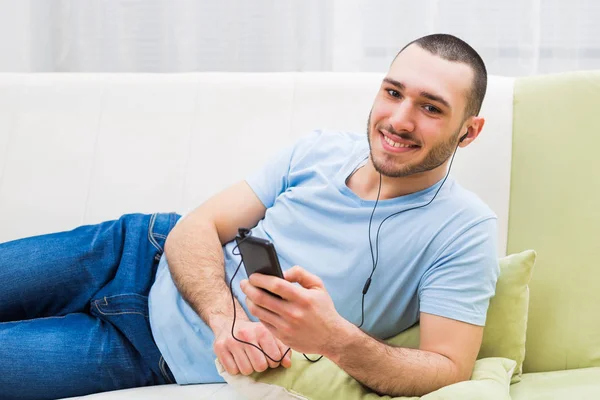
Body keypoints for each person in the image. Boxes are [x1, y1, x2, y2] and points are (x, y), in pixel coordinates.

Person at [0, 33, 499, 400]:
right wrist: (228, 318)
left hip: (147, 353)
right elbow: (195, 227)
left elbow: (448, 367)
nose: (399, 120)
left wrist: (334, 339)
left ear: (468, 132)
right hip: (135, 250)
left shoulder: (463, 230)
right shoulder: (319, 151)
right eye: (393, 93)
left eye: (431, 108)